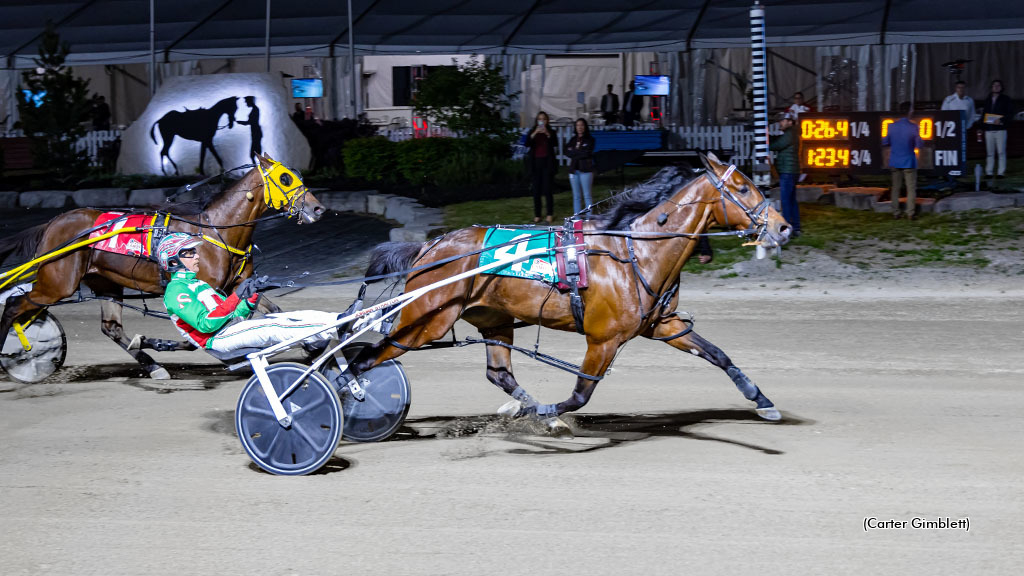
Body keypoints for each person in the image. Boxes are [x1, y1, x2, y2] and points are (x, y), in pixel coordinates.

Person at [146, 233, 339, 356]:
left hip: (232, 329)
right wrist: (237, 295)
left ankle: (339, 319)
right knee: (273, 326)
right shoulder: (175, 292)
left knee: (293, 316)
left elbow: (233, 311)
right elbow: (206, 324)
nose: (197, 256)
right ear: (173, 262)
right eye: (189, 253)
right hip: (218, 339)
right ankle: (335, 328)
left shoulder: (197, 283)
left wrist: (252, 295)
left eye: (194, 251)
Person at [881, 107, 924, 220]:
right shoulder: (913, 127)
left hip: (895, 160)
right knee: (911, 189)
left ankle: (896, 212)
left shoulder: (891, 126)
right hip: (909, 161)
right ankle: (910, 213)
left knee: (895, 188)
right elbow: (919, 145)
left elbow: (885, 142)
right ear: (909, 113)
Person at [770, 112, 801, 236]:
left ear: (790, 122)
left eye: (783, 120)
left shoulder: (790, 134)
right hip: (791, 171)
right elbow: (778, 141)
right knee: (792, 200)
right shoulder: (791, 133)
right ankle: (796, 228)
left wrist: (765, 142)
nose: (780, 123)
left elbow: (777, 145)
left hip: (788, 172)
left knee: (786, 201)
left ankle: (787, 229)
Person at [525, 111, 557, 223]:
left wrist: (547, 134)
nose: (541, 121)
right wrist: (534, 133)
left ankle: (549, 214)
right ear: (537, 120)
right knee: (536, 191)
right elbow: (527, 143)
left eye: (544, 119)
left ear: (547, 120)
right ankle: (537, 214)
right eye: (539, 119)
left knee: (548, 189)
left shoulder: (551, 132)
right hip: (536, 164)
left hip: (547, 163)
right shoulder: (533, 131)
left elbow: (555, 143)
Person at [979, 79, 1014, 179]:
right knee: (990, 152)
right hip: (989, 129)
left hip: (1001, 130)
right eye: (994, 85)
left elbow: (1010, 114)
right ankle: (989, 172)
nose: (996, 87)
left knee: (1001, 152)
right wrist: (981, 127)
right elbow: (984, 114)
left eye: (998, 85)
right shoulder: (988, 99)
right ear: (991, 87)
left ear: (1001, 87)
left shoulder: (1006, 99)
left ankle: (1000, 172)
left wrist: (1001, 120)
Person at [565, 118, 596, 217]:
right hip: (574, 171)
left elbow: (586, 153)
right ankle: (577, 218)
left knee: (587, 195)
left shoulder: (590, 139)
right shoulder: (573, 140)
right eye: (578, 125)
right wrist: (578, 152)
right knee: (576, 197)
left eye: (582, 125)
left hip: (585, 170)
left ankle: (589, 218)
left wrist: (574, 152)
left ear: (585, 126)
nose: (580, 127)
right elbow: (567, 151)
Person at [236, 96, 263, 163]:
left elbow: (250, 122)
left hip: (256, 132)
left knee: (254, 154)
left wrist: (239, 122)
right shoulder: (255, 109)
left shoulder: (255, 110)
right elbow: (250, 122)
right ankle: (259, 169)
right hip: (255, 132)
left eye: (246, 102)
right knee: (254, 154)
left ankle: (260, 169)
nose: (246, 103)